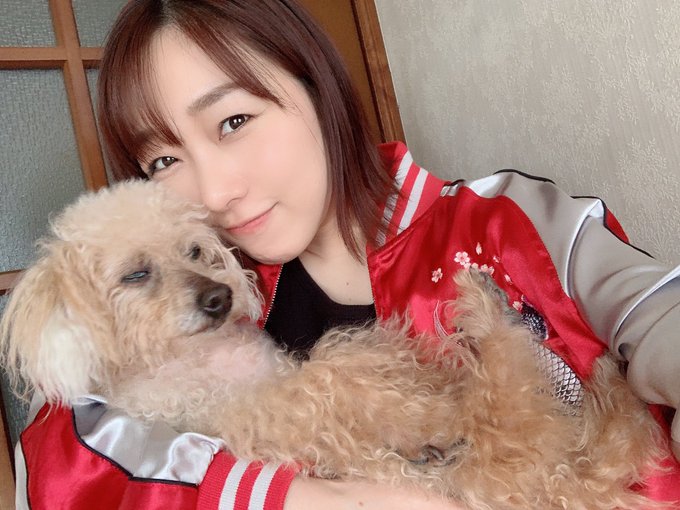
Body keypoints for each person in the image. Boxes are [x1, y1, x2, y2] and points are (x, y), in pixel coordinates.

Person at [12, 0, 680, 508]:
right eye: (163, 159)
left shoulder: (504, 220)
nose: (215, 192)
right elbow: (63, 456)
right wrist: (309, 497)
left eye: (234, 122)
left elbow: (660, 319)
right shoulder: (218, 312)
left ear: (315, 86)